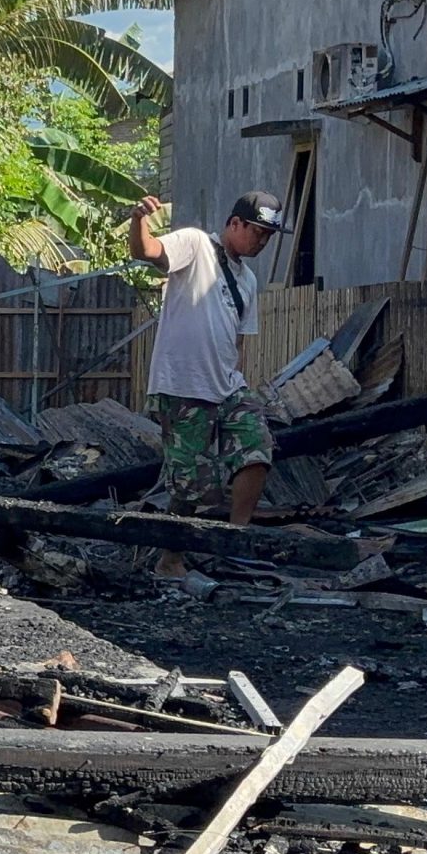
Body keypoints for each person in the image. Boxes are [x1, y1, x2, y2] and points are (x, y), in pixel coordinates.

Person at [129, 190, 283, 583]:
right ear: (235, 224)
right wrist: (138, 221)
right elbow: (149, 252)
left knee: (257, 447)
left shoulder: (248, 280)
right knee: (190, 486)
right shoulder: (196, 245)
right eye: (258, 232)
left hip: (228, 386)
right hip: (182, 386)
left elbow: (238, 341)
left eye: (268, 236)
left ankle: (233, 542)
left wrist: (237, 380)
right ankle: (171, 559)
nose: (262, 242)